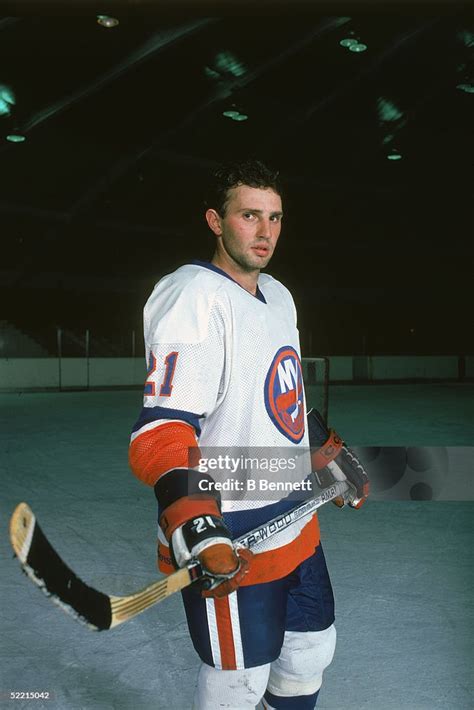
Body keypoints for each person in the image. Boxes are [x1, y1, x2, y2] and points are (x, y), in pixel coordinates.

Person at [129, 159, 368, 709]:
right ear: (216, 220)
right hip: (233, 527)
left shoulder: (280, 296)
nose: (265, 233)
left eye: (276, 218)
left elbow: (288, 396)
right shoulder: (192, 296)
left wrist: (326, 456)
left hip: (294, 518)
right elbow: (162, 432)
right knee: (239, 683)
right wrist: (197, 525)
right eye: (250, 216)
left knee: (309, 654)